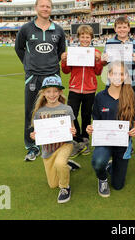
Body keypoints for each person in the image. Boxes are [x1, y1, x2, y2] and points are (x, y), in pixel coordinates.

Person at [15, 0, 66, 161]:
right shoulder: (26, 29)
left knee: (56, 110)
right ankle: (32, 146)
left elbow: (61, 52)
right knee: (31, 111)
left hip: (53, 76)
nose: (46, 9)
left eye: (48, 6)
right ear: (36, 8)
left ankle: (55, 143)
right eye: (42, 6)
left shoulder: (58, 30)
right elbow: (19, 48)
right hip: (33, 77)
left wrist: (51, 65)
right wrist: (28, 65)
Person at [86, 61, 135, 198]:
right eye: (114, 73)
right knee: (98, 162)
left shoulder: (131, 95)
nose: (118, 77)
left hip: (123, 142)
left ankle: (111, 166)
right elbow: (96, 120)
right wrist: (91, 128)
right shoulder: (100, 96)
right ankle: (103, 178)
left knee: (118, 185)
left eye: (121, 74)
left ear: (125, 76)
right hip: (104, 141)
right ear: (109, 75)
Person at [29, 75, 80, 204]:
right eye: (48, 91)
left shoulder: (67, 109)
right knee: (52, 184)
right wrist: (34, 136)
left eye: (55, 91)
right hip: (48, 150)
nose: (52, 94)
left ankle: (65, 188)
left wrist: (73, 131)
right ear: (43, 93)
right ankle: (68, 166)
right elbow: (37, 132)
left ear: (60, 92)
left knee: (59, 165)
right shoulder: (39, 112)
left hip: (64, 145)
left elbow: (73, 129)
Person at [61, 25, 103, 158]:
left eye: (88, 37)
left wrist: (98, 60)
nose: (85, 39)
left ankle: (84, 140)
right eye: (82, 37)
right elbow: (66, 70)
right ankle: (76, 139)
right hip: (74, 88)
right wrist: (64, 61)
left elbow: (98, 72)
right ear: (78, 38)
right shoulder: (73, 51)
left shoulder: (96, 52)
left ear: (91, 38)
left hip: (89, 90)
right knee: (71, 114)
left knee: (86, 116)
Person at [101, 16, 135, 92]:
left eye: (124, 27)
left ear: (129, 28)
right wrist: (103, 59)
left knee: (129, 104)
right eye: (119, 27)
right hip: (112, 82)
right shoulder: (109, 43)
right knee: (112, 104)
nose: (122, 29)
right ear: (115, 29)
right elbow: (104, 63)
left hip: (130, 82)